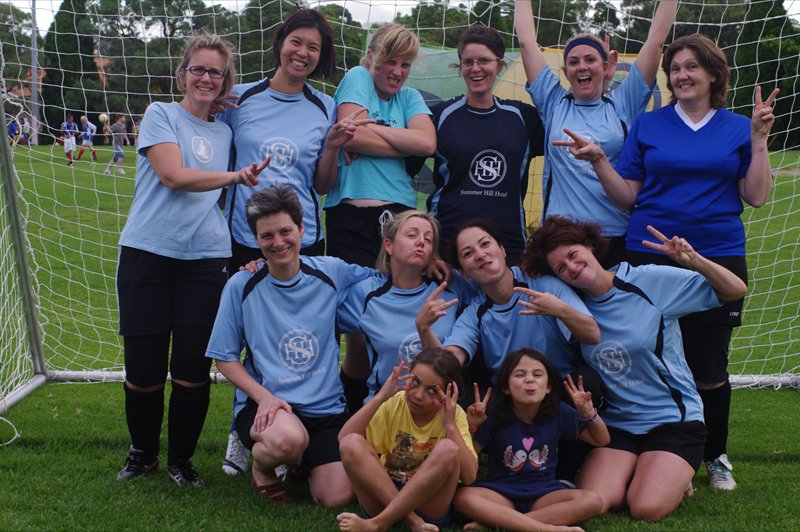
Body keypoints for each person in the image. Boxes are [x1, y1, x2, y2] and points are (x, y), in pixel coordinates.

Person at [553, 33, 779, 491]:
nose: (682, 75)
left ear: (713, 74)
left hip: (716, 253)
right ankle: (666, 451)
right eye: (675, 68)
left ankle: (713, 455)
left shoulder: (738, 126)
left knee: (709, 364)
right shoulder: (649, 124)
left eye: (691, 67)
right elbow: (627, 197)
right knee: (646, 359)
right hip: (650, 253)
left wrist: (759, 140)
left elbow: (755, 196)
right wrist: (599, 161)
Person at [218, 8, 370, 476]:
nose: (302, 53)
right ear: (280, 42)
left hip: (302, 238)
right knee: (251, 335)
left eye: (313, 48)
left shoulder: (324, 106)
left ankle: (304, 423)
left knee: (305, 331)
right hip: (248, 237)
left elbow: (321, 185)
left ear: (322, 57)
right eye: (296, 42)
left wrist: (332, 147)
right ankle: (248, 426)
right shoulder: (239, 98)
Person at [116, 33, 268, 487]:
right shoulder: (160, 114)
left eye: (215, 72)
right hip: (147, 254)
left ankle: (181, 460)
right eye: (198, 69)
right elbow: (173, 175)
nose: (206, 77)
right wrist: (235, 176)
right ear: (182, 74)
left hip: (205, 260)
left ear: (225, 81)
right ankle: (142, 454)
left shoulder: (226, 131)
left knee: (192, 370)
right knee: (144, 371)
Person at [523, 215, 747, 520]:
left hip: (673, 420)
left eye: (573, 255)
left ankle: (672, 473)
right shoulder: (571, 310)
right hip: (618, 425)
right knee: (598, 500)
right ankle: (653, 471)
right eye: (561, 268)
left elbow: (734, 290)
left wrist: (693, 260)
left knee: (646, 507)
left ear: (590, 246)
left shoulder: (646, 281)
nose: (572, 267)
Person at [207, 185, 379, 506]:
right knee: (288, 439)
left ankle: (302, 462)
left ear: (301, 229)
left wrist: (430, 268)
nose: (278, 242)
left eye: (285, 231)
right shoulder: (241, 285)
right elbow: (225, 360)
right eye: (267, 236)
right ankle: (263, 469)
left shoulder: (332, 272)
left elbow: (380, 276)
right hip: (268, 406)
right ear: (256, 239)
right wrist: (265, 397)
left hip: (325, 409)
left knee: (336, 496)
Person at [325, 22, 436, 418]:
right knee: (357, 331)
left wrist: (376, 130)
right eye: (391, 61)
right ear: (371, 57)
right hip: (353, 216)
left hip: (401, 215)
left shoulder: (410, 97)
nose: (398, 72)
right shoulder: (358, 78)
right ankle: (350, 417)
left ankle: (400, 415)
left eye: (405, 64)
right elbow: (350, 136)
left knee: (398, 323)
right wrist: (399, 140)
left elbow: (426, 143)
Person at [514, 0, 678, 265]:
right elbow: (526, 43)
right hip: (561, 236)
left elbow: (655, 42)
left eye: (590, 59)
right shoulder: (554, 103)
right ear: (566, 71)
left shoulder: (623, 103)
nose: (581, 66)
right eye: (573, 62)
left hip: (613, 235)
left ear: (606, 66)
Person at [422, 25, 545, 264]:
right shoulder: (439, 116)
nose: (476, 68)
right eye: (468, 62)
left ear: (500, 65)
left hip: (509, 247)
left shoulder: (523, 117)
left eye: (484, 61)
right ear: (460, 67)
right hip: (447, 248)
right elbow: (406, 161)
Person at [454, 348, 608, 531]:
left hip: (544, 495)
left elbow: (601, 439)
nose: (529, 379)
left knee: (592, 500)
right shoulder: (494, 414)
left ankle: (502, 523)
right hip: (501, 493)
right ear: (506, 387)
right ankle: (547, 529)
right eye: (520, 374)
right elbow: (468, 463)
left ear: (548, 387)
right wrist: (472, 427)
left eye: (537, 374)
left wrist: (589, 413)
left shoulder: (558, 411)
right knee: (462, 497)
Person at [338, 211, 475, 403]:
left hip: (438, 404)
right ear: (389, 245)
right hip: (385, 405)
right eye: (412, 235)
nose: (421, 242)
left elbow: (488, 295)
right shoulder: (364, 293)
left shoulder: (451, 285)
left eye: (428, 240)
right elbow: (319, 319)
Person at [336, 348, 478, 532]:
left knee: (448, 449)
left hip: (429, 501)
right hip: (385, 494)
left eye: (432, 390)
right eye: (415, 382)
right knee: (351, 443)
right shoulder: (396, 402)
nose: (418, 395)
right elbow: (344, 439)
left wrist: (449, 425)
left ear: (448, 392)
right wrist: (380, 397)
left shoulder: (453, 414)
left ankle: (379, 524)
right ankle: (411, 521)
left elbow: (469, 476)